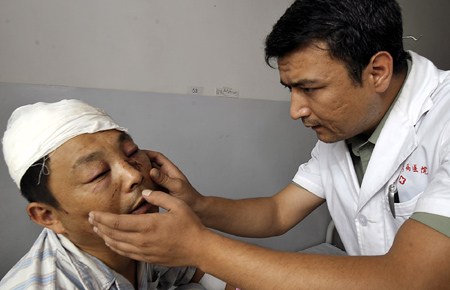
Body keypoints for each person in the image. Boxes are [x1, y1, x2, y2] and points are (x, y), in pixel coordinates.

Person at [89, 0, 450, 289]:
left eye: (309, 88)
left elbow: (413, 279)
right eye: (290, 90)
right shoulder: (342, 129)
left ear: (377, 72)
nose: (296, 110)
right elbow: (278, 213)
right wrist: (197, 204)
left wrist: (199, 248)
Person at [0, 99, 235, 290]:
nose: (134, 176)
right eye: (98, 174)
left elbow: (203, 272)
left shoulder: (155, 236)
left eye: (131, 152)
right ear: (48, 216)